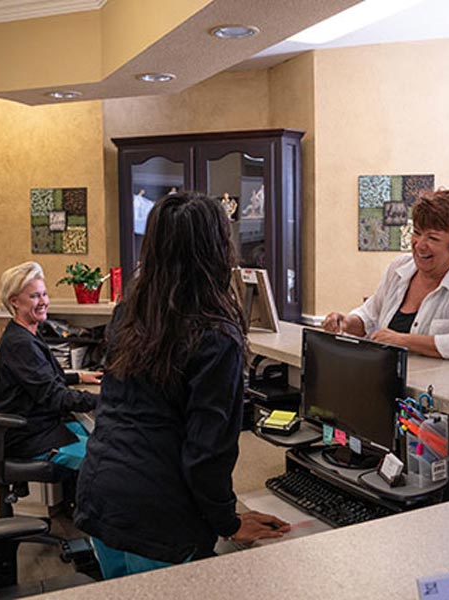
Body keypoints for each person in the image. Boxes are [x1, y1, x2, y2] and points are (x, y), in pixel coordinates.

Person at [75, 191, 290, 579]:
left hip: (101, 494)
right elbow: (207, 451)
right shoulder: (215, 335)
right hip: (159, 514)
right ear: (219, 250)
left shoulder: (130, 311)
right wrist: (228, 521)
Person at [323, 188, 449, 360]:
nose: (420, 245)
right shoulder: (399, 267)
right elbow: (369, 316)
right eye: (417, 233)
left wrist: (402, 340)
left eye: (432, 238)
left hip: (435, 386)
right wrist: (345, 323)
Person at [0, 261, 101, 469]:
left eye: (44, 294)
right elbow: (55, 396)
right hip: (30, 437)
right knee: (108, 461)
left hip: (43, 425)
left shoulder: (28, 331)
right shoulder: (20, 344)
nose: (43, 301)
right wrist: (105, 398)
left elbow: (41, 377)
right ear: (14, 301)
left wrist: (78, 377)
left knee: (106, 439)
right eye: (34, 296)